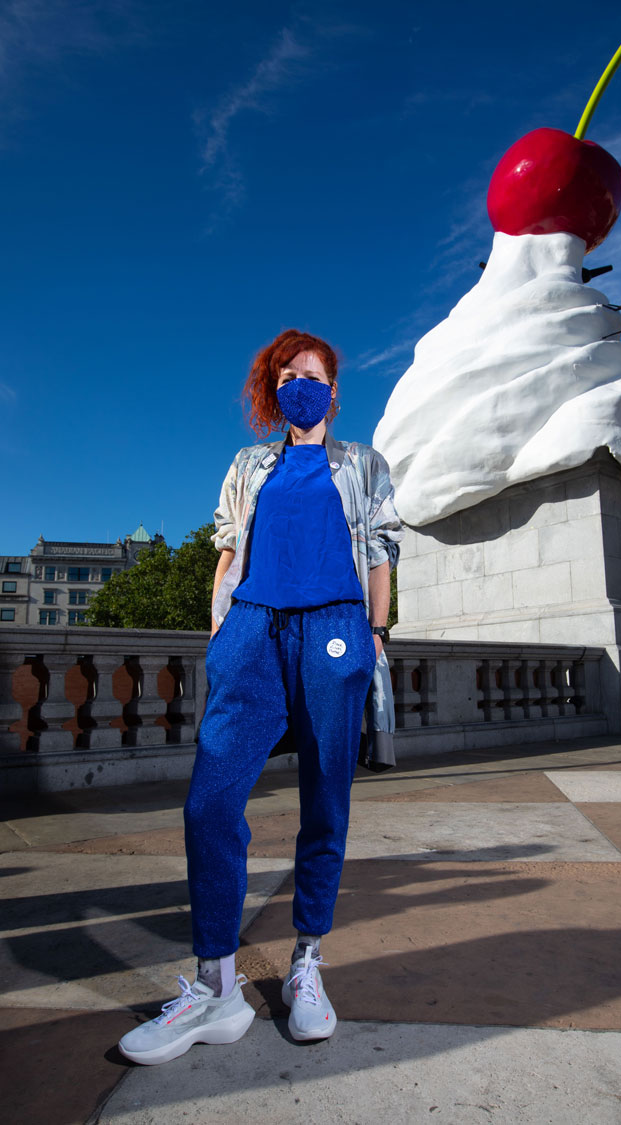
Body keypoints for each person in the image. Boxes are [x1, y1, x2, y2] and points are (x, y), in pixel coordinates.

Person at [118, 329, 403, 1065]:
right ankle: (217, 988)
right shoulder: (248, 464)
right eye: (286, 375)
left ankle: (307, 960)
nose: (298, 385)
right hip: (251, 632)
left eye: (310, 375)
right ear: (272, 390)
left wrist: (376, 633)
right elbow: (226, 549)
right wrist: (220, 632)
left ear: (333, 391)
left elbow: (379, 548)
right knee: (210, 801)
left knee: (325, 800)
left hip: (336, 629)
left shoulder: (363, 464)